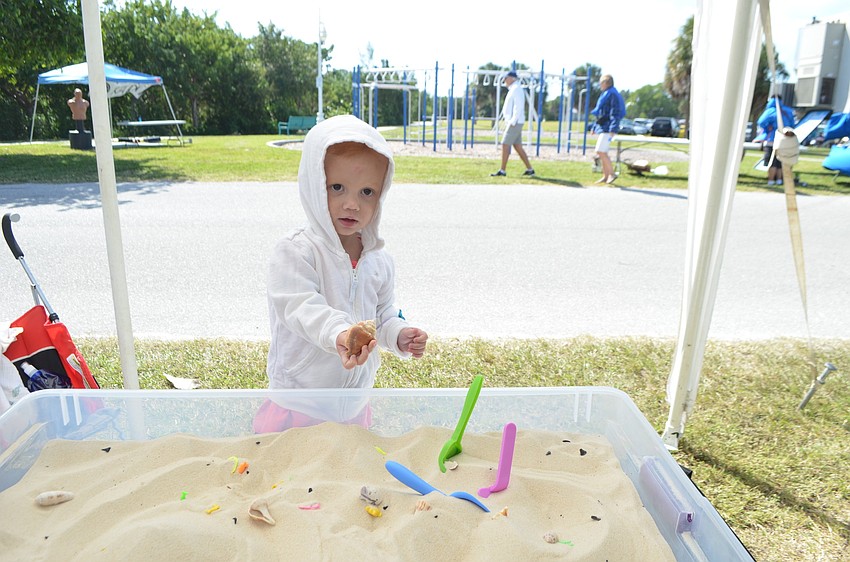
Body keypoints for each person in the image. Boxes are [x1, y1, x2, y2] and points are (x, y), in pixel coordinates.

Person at [255, 115, 428, 432]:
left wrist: (399, 334)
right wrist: (341, 333)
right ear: (313, 186)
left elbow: (382, 315)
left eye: (367, 192)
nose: (352, 204)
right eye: (337, 188)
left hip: (353, 406)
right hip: (300, 403)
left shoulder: (378, 259)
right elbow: (301, 308)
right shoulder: (296, 251)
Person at [491, 70, 535, 177]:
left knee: (505, 144)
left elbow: (518, 106)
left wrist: (513, 121)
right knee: (517, 146)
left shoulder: (516, 89)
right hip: (515, 122)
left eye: (506, 78)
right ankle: (530, 169)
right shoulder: (514, 89)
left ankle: (502, 170)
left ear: (512, 78)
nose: (505, 80)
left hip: (515, 122)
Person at [590, 74, 625, 184]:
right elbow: (601, 114)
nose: (600, 85)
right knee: (601, 151)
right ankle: (605, 176)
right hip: (603, 127)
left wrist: (613, 128)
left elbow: (615, 112)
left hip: (608, 128)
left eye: (601, 83)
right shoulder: (606, 94)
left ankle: (612, 174)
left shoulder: (612, 94)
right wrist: (595, 127)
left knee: (601, 151)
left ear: (606, 83)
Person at [756, 95, 796, 186]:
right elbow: (793, 125)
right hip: (785, 141)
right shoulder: (788, 111)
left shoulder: (770, 111)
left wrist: (768, 127)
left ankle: (770, 180)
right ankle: (779, 180)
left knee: (771, 161)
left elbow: (761, 122)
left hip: (772, 140)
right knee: (781, 162)